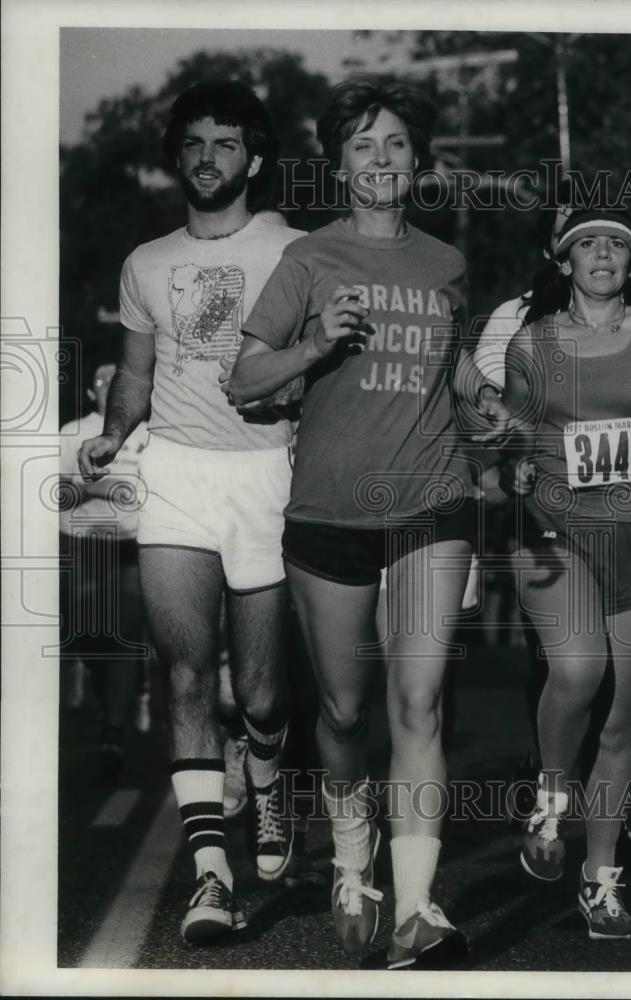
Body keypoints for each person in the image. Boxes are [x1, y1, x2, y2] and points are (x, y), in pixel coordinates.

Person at [224, 74, 474, 969]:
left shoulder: (446, 264)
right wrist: (318, 341)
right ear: (339, 165)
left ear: (418, 161)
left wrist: (490, 404)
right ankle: (352, 857)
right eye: (363, 146)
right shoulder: (309, 259)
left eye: (396, 143)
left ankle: (417, 909)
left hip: (433, 504)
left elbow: (452, 372)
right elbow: (244, 380)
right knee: (342, 708)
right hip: (329, 510)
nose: (381, 159)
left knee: (420, 701)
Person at [77, 81, 306, 944]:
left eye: (227, 143)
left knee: (261, 694)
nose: (209, 158)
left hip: (266, 474)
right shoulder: (145, 262)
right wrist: (112, 434)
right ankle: (212, 877)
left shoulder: (295, 249)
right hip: (175, 472)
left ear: (255, 158)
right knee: (185, 672)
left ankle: (269, 772)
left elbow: (322, 362)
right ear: (178, 153)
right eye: (196, 142)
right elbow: (136, 373)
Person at [473, 209, 631, 940]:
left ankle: (601, 881)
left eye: (616, 245)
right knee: (577, 669)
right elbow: (507, 440)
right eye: (587, 244)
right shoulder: (533, 341)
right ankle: (549, 796)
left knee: (619, 720)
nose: (602, 254)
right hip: (553, 532)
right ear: (564, 262)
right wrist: (503, 468)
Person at [60, 359, 149, 778]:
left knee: (123, 639)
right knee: (86, 635)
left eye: (118, 378)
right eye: (102, 378)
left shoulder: (148, 434)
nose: (110, 383)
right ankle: (92, 682)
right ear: (90, 391)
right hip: (81, 546)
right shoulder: (72, 432)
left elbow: (150, 492)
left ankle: (113, 732)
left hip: (130, 546)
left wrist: (94, 487)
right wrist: (108, 487)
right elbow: (56, 491)